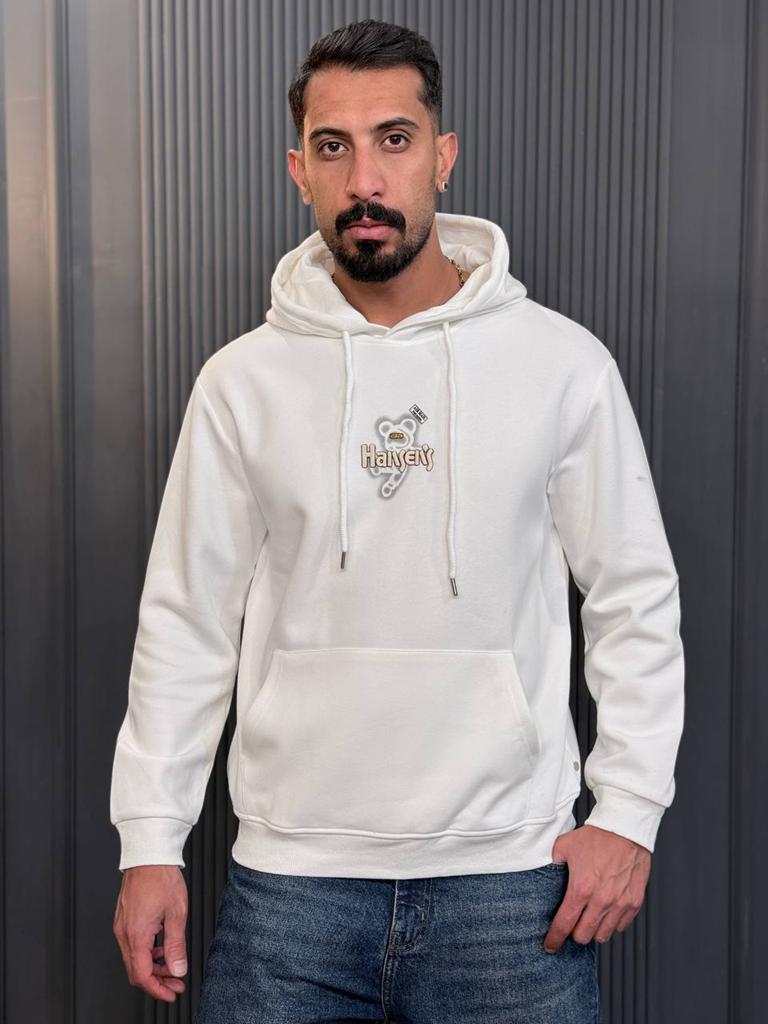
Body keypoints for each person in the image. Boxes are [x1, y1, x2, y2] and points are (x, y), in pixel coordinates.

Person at [110, 17, 685, 1023]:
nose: (365, 180)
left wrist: (630, 811)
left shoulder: (562, 366)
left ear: (443, 157)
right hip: (291, 890)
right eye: (333, 147)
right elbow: (187, 618)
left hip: (512, 888)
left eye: (395, 140)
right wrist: (151, 839)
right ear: (300, 170)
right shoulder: (241, 383)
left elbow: (634, 597)